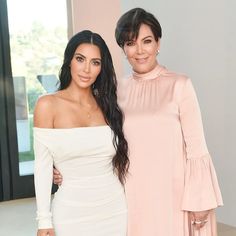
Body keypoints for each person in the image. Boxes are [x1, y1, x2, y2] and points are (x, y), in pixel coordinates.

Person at [54, 8, 223, 236]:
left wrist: (200, 200)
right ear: (123, 48)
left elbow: (197, 148)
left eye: (147, 41)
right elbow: (100, 141)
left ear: (158, 43)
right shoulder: (115, 91)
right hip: (130, 195)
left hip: (174, 194)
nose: (140, 51)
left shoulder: (180, 85)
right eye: (131, 43)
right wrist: (66, 168)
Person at [33, 30, 129, 236]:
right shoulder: (47, 105)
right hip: (70, 212)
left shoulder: (109, 106)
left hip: (115, 209)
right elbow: (42, 166)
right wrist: (43, 220)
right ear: (69, 61)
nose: (86, 69)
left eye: (95, 62)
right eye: (80, 59)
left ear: (101, 68)